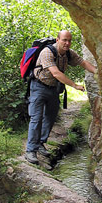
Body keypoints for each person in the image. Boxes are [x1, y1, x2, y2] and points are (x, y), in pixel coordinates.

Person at [25, 29, 96, 165]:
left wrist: (97, 72)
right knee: (36, 118)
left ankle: (40, 143)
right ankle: (31, 151)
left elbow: (83, 63)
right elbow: (56, 73)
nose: (67, 43)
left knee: (50, 117)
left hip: (52, 89)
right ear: (58, 40)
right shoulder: (47, 52)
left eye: (69, 40)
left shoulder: (69, 53)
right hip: (38, 87)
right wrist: (74, 85)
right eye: (64, 40)